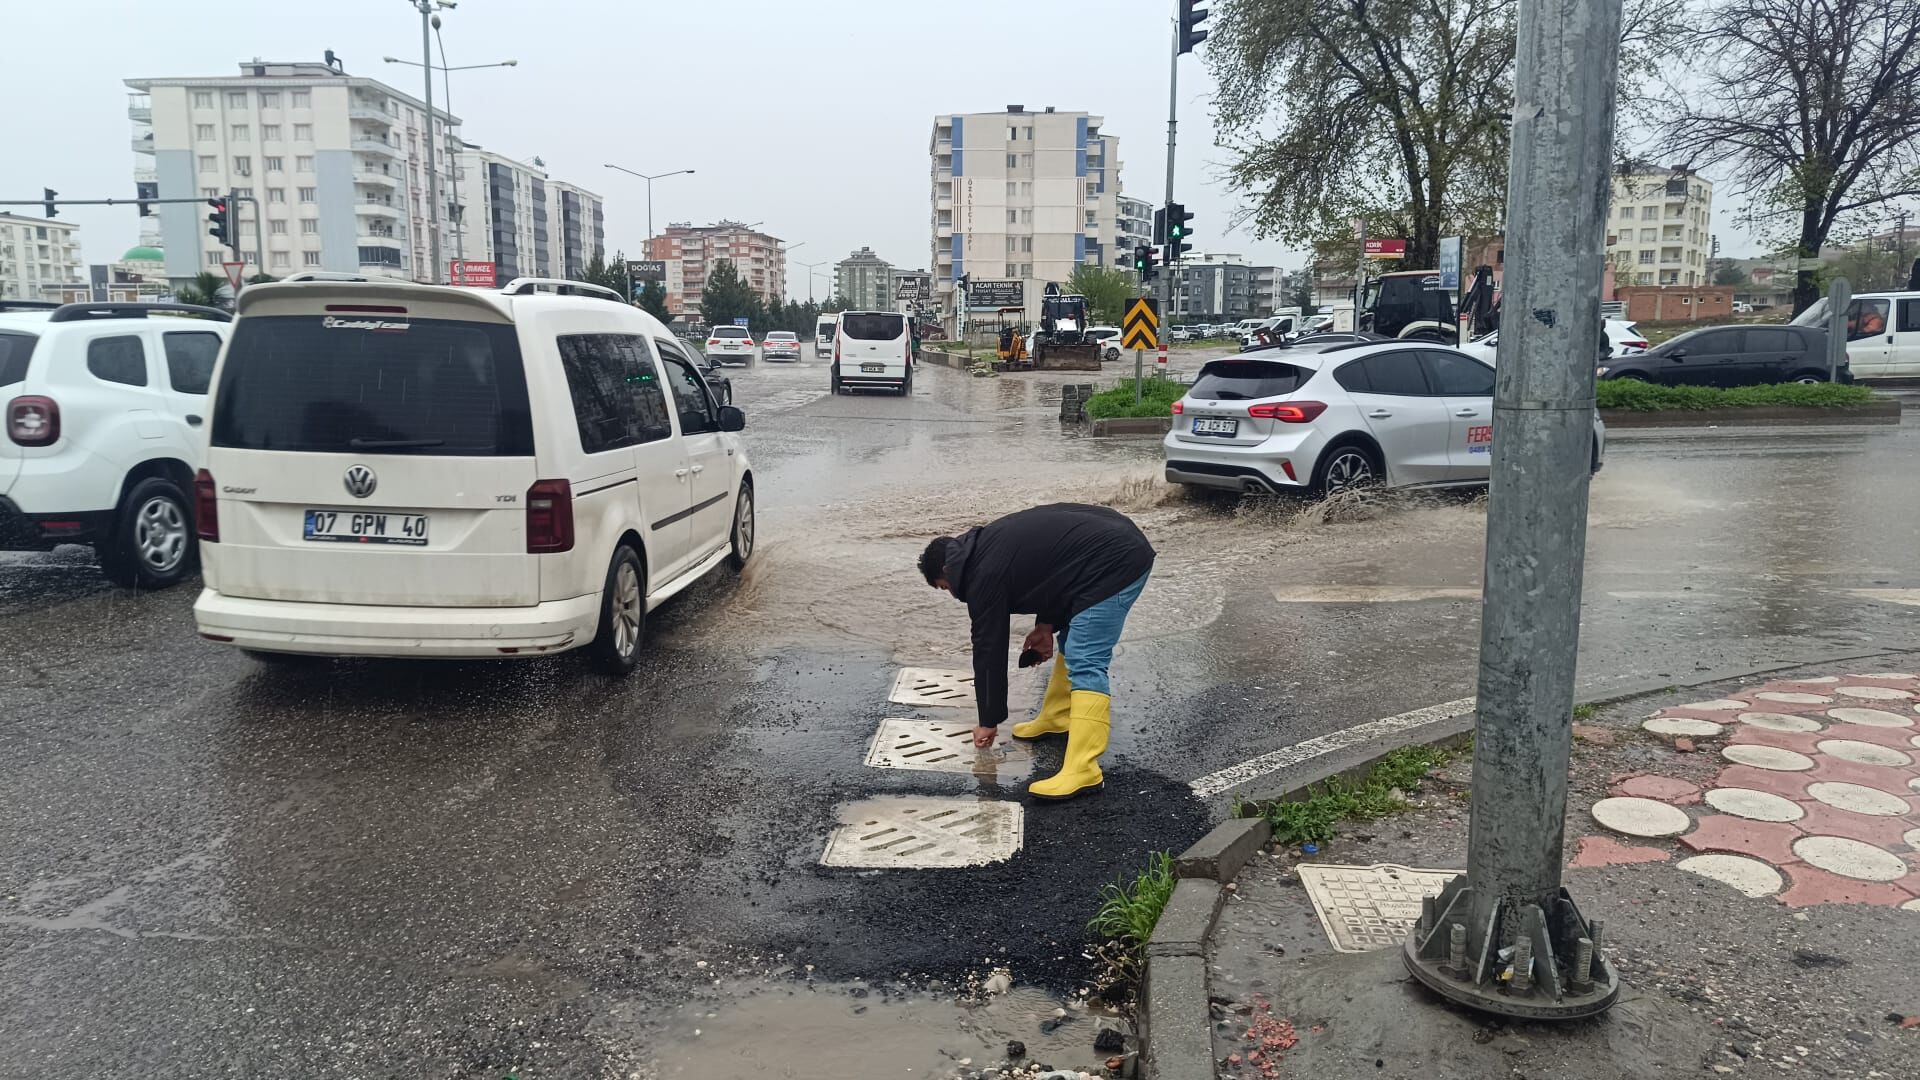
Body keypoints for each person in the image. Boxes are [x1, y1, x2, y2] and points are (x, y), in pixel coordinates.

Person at [918, 504, 1155, 801]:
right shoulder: (984, 549)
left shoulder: (981, 575)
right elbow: (1054, 572)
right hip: (1104, 548)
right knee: (1073, 640)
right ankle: (1058, 717)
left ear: (946, 571)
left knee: (1085, 657)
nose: (952, 595)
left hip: (1117, 560)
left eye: (944, 588)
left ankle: (1083, 769)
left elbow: (989, 650)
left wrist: (988, 721)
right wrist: (1045, 626)